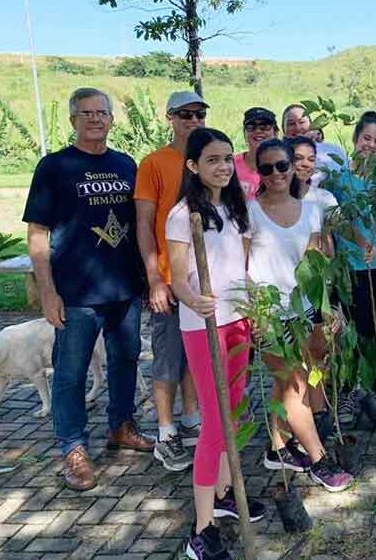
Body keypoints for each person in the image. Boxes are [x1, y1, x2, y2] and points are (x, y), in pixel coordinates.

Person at [23, 87, 154, 491]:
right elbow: (37, 232)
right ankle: (73, 447)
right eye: (87, 113)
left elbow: (141, 225)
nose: (96, 119)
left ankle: (121, 425)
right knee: (70, 372)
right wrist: (47, 291)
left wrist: (148, 280)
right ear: (72, 120)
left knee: (126, 359)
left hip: (124, 288)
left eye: (102, 112)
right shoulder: (54, 167)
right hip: (76, 294)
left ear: (112, 119)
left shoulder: (125, 164)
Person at [166, 127, 267, 560]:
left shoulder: (233, 206)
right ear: (193, 166)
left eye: (228, 158)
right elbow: (176, 276)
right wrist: (194, 299)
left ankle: (225, 492)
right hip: (203, 326)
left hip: (238, 322)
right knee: (214, 422)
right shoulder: (182, 213)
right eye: (213, 159)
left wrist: (253, 307)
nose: (224, 166)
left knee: (236, 411)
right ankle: (201, 530)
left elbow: (240, 265)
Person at [245, 138, 353, 492]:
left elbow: (315, 267)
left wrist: (329, 307)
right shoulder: (249, 212)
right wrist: (254, 316)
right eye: (267, 167)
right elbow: (241, 268)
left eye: (281, 165)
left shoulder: (310, 211)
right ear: (258, 172)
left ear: (292, 167)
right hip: (270, 317)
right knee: (294, 385)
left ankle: (278, 447)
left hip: (306, 312)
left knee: (301, 379)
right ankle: (319, 462)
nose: (276, 173)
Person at [135, 91, 205, 472]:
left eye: (199, 113)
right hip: (167, 277)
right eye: (184, 114)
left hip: (198, 282)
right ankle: (165, 431)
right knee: (166, 359)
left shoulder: (205, 159)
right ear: (170, 117)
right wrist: (154, 281)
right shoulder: (154, 163)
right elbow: (144, 223)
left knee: (193, 357)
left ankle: (192, 418)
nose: (193, 120)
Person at [331, 111, 376, 423]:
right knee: (353, 332)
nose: (371, 144)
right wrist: (359, 241)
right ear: (356, 139)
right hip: (351, 267)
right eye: (366, 138)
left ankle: (370, 389)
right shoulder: (341, 180)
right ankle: (346, 392)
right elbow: (336, 219)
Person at [281, 103, 349, 187]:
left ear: (311, 124)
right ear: (283, 129)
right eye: (291, 124)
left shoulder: (334, 149)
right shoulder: (280, 153)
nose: (298, 128)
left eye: (302, 122)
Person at [234, 107, 278, 200]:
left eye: (265, 127)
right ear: (244, 133)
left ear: (276, 133)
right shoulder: (231, 164)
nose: (258, 131)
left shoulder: (283, 166)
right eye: (251, 127)